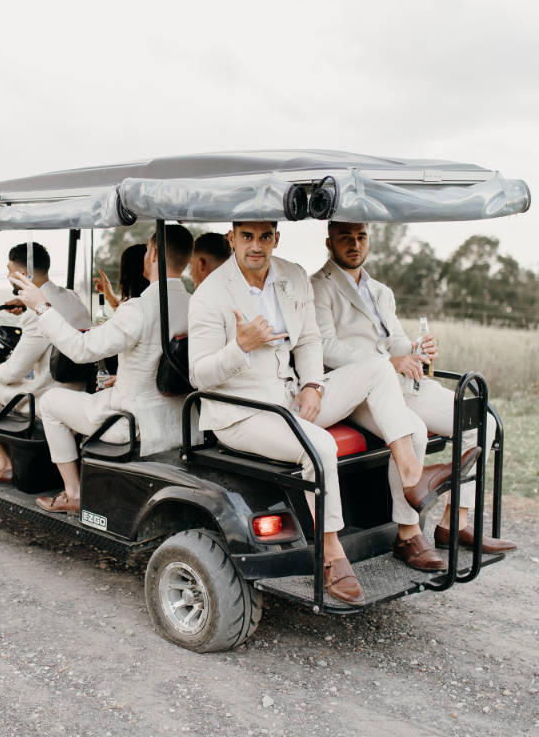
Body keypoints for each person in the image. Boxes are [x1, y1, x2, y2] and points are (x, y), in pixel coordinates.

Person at [187, 221, 444, 606]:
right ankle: (331, 554)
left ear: (277, 237)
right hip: (242, 413)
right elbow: (199, 374)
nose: (256, 246)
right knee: (320, 446)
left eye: (264, 237)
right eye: (247, 237)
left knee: (384, 381)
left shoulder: (291, 275)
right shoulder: (209, 295)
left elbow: (308, 340)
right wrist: (239, 347)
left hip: (292, 398)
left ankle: (411, 477)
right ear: (232, 238)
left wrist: (312, 384)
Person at [310, 221, 516, 556]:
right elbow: (325, 347)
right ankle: (407, 532)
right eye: (345, 238)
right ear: (329, 242)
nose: (354, 244)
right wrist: (388, 364)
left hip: (403, 382)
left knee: (482, 421)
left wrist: (416, 350)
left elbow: (396, 342)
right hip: (358, 390)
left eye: (361, 237)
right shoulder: (320, 286)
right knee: (414, 431)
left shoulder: (380, 291)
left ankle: (454, 523)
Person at [11, 226, 194, 513]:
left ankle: (74, 493)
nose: (146, 256)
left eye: (146, 250)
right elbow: (168, 363)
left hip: (129, 422)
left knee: (49, 402)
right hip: (180, 420)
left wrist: (41, 307)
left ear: (154, 253)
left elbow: (81, 349)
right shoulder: (193, 304)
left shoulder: (139, 308)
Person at [0, 242, 90, 485]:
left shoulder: (35, 316)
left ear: (24, 275)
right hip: (78, 391)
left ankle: (2, 464)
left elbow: (14, 372)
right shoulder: (73, 299)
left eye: (10, 270)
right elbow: (51, 312)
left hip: (46, 397)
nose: (9, 276)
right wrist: (24, 305)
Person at [95, 243, 150, 311]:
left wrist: (110, 297)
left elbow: (126, 314)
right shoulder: (152, 301)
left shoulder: (135, 308)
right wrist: (110, 296)